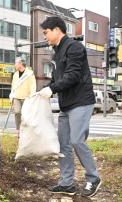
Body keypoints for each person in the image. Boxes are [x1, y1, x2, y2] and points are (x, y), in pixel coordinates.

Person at [39, 16, 101, 197]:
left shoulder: (75, 47)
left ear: (57, 30)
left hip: (81, 101)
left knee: (76, 140)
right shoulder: (56, 52)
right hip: (66, 104)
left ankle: (93, 178)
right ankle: (67, 183)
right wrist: (44, 90)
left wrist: (52, 88)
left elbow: (73, 75)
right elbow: (57, 79)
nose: (45, 37)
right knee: (63, 144)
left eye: (46, 32)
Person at [9, 57, 36, 135]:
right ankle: (18, 129)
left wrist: (32, 96)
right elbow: (13, 86)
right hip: (16, 96)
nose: (15, 65)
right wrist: (12, 96)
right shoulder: (15, 74)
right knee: (17, 112)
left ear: (20, 64)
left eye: (16, 63)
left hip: (26, 97)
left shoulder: (29, 73)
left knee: (25, 114)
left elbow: (33, 86)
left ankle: (26, 130)